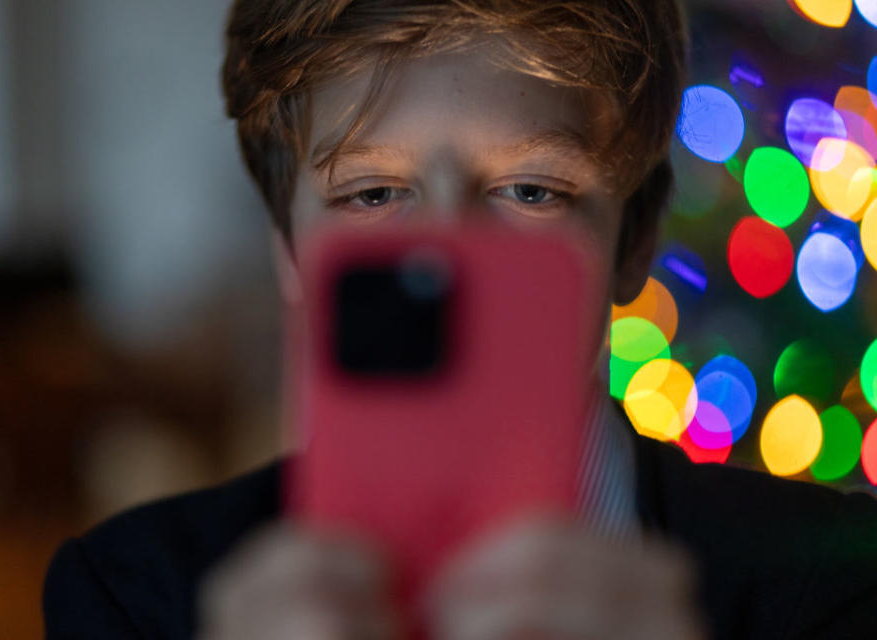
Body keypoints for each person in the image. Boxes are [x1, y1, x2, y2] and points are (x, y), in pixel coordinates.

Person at [43, 1, 877, 638]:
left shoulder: (836, 586)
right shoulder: (133, 593)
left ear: (636, 237)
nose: (443, 264)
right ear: (291, 251)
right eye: (371, 195)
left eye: (532, 192)